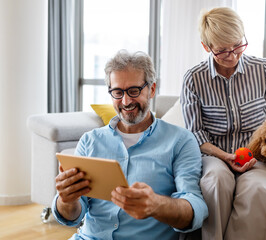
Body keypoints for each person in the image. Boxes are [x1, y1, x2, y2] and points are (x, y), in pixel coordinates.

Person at [181, 7, 266, 240]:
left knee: (259, 190)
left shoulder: (264, 69)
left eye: (237, 45)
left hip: (258, 156)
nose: (232, 55)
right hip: (215, 156)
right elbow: (196, 135)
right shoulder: (193, 79)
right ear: (206, 47)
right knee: (215, 183)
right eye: (222, 50)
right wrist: (225, 156)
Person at [52, 50, 208, 240]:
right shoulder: (89, 141)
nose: (126, 102)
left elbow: (195, 208)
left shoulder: (180, 140)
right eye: (117, 92)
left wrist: (156, 205)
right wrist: (67, 200)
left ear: (151, 89)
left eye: (134, 91)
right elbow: (72, 216)